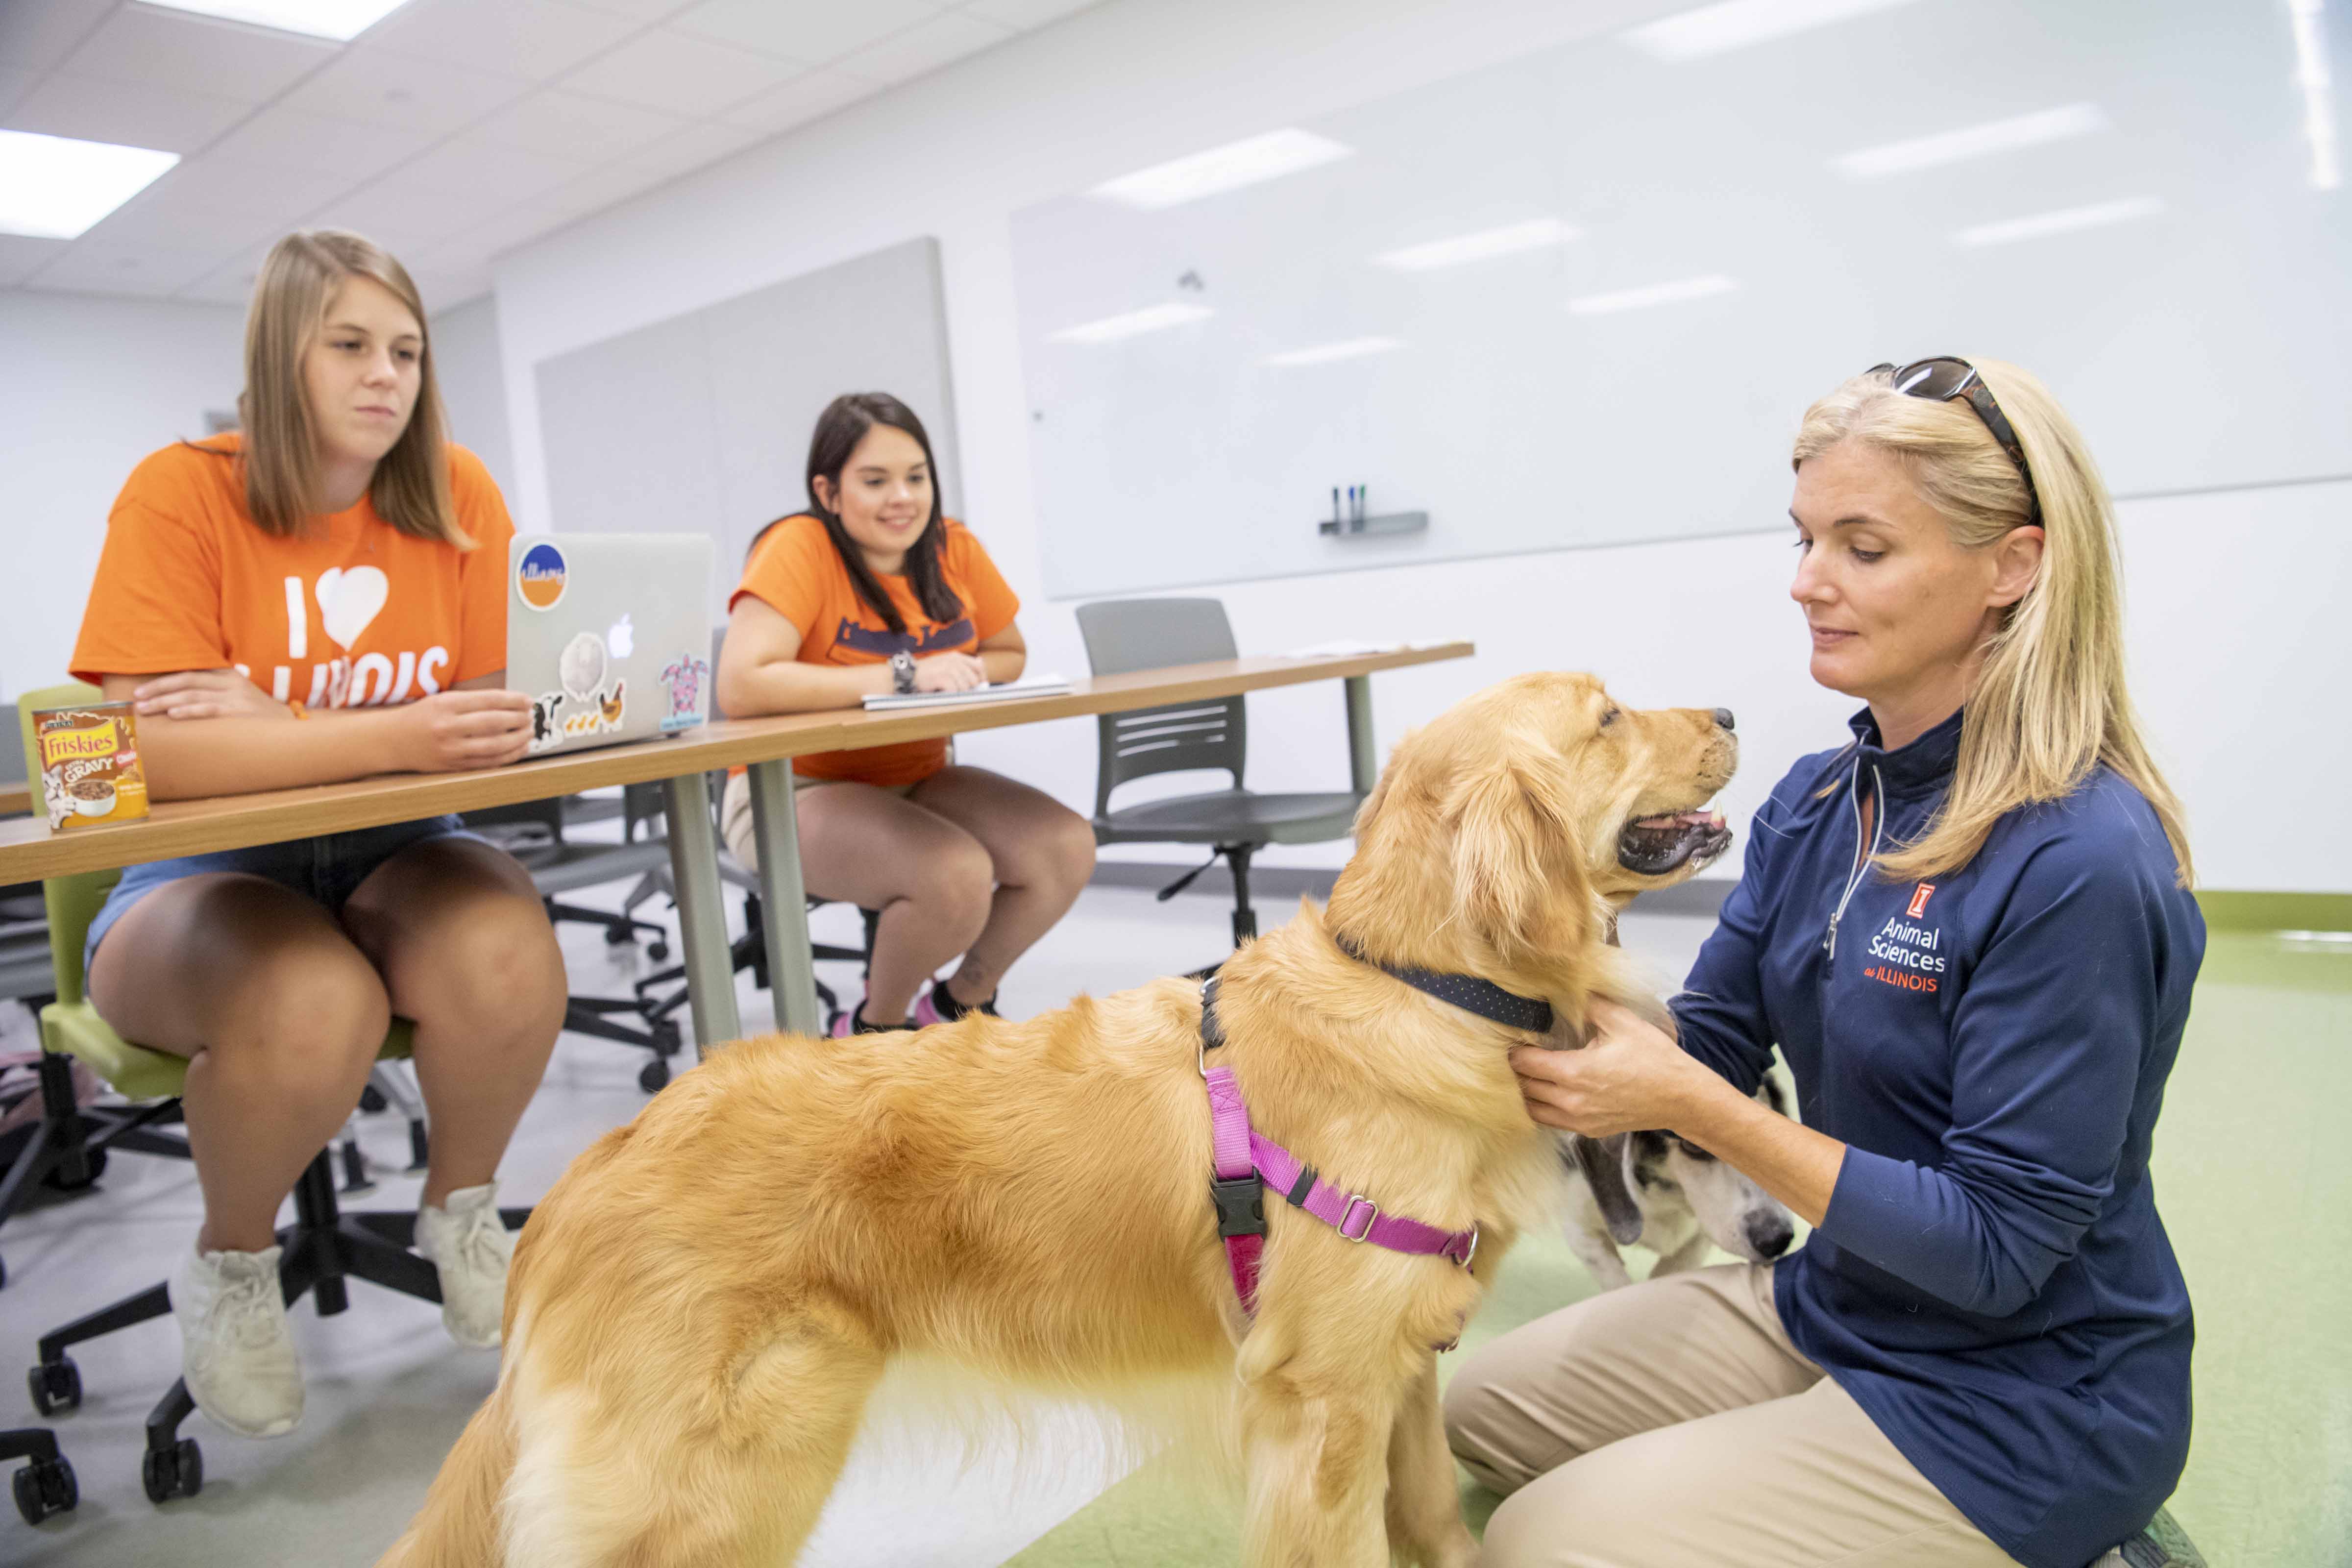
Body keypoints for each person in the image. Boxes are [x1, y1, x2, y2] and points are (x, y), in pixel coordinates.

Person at [1449, 359, 2201, 1568]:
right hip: (1838, 1307)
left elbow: (1999, 1249)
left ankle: (2087, 1539)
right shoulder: (1820, 802)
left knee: (1540, 1546)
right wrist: (1500, 957)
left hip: (2023, 1395)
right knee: (1474, 1417)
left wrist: (1698, 1109)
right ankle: (1808, 1457)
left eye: (1864, 547)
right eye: (1805, 539)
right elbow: (1709, 1039)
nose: (1808, 584)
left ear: (2011, 567)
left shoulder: (2080, 858)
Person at [68, 231, 565, 1440]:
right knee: (312, 998)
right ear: (279, 355)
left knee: (509, 950)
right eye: (348, 345)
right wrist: (387, 731)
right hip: (199, 874)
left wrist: (278, 719)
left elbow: (493, 711)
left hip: (403, 845)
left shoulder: (457, 494)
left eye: (404, 349)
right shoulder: (181, 490)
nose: (384, 375)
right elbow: (150, 752)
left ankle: (461, 1209)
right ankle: (233, 1263)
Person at [714, 392, 1096, 1035]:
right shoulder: (799, 546)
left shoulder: (953, 547)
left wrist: (965, 670)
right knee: (954, 874)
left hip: (917, 777)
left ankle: (956, 1005)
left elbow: (1008, 652)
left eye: (916, 478)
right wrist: (908, 673)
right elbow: (743, 685)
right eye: (875, 481)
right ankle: (874, 1032)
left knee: (1064, 847)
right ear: (828, 491)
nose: (903, 498)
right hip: (789, 790)